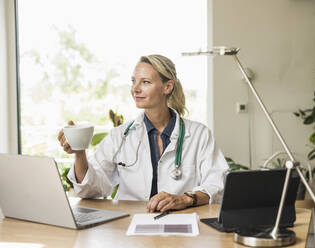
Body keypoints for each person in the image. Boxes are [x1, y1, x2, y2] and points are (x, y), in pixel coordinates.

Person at [58, 54, 228, 213]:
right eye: (133, 81)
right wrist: (79, 153)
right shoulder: (120, 135)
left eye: (145, 82)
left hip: (180, 221)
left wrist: (185, 199)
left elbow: (217, 185)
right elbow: (90, 190)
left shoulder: (199, 134)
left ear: (167, 87)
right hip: (128, 224)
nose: (135, 89)